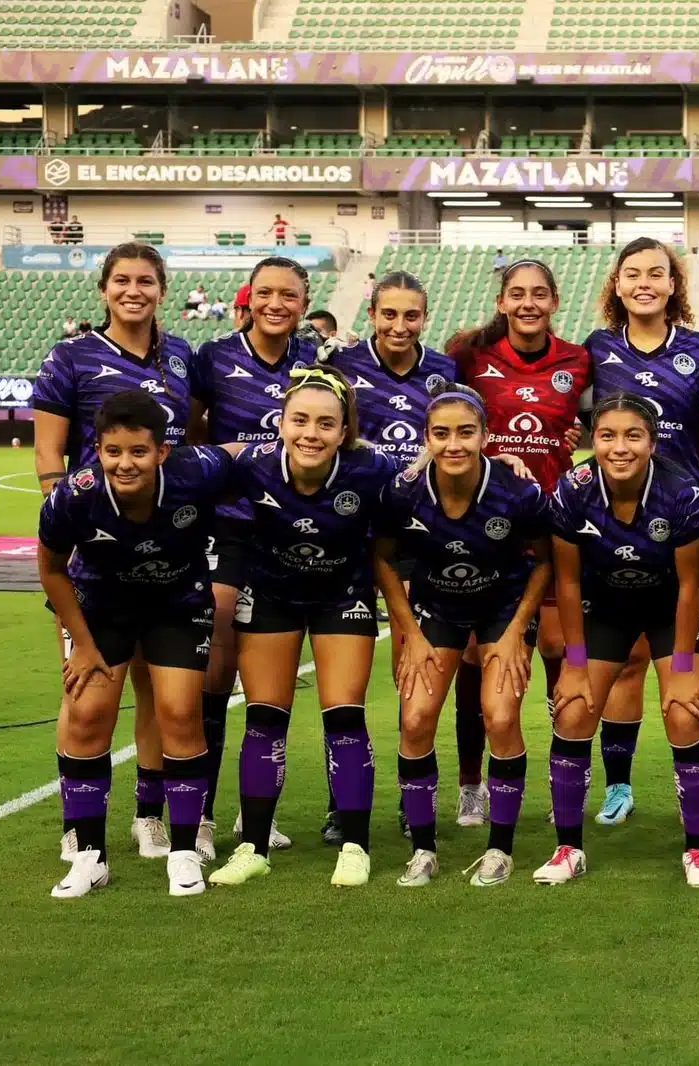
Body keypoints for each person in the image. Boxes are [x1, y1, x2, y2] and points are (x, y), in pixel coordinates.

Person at [33, 242, 194, 866]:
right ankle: (79, 826)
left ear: (162, 289)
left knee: (160, 691)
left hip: (166, 549)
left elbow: (190, 442)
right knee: (87, 689)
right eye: (122, 280)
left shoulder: (181, 356)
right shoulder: (72, 356)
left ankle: (150, 816)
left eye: (146, 281)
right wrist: (69, 517)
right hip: (94, 555)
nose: (134, 290)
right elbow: (50, 453)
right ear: (104, 289)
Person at [206, 365, 394, 889]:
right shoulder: (254, 463)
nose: (312, 433)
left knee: (345, 717)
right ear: (281, 422)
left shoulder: (371, 468)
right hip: (270, 597)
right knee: (264, 719)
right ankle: (253, 847)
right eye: (300, 421)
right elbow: (178, 471)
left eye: (326, 424)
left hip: (342, 598)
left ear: (344, 431)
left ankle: (355, 846)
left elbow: (429, 480)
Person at [38, 392, 230, 898]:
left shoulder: (196, 471)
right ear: (97, 450)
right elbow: (52, 570)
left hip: (177, 602)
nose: (126, 463)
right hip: (101, 607)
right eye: (113, 451)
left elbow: (246, 456)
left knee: (179, 712)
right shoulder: (75, 495)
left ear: (163, 451)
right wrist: (81, 645)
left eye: (139, 452)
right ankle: (90, 858)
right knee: (86, 715)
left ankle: (185, 854)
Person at [373, 382, 552, 887]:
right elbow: (383, 559)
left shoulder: (516, 489)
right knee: (416, 718)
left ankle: (501, 849)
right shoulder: (403, 491)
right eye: (442, 434)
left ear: (486, 436)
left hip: (503, 607)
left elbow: (546, 561)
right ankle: (423, 850)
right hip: (437, 608)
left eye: (466, 433)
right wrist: (410, 632)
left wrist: (519, 630)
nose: (454, 445)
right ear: (426, 438)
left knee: (499, 716)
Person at [540, 395, 699, 886]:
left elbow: (690, 586)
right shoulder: (572, 490)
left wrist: (683, 667)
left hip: (670, 608)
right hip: (607, 607)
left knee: (684, 714)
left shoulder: (682, 491)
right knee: (574, 709)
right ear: (592, 440)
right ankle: (568, 848)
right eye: (608, 436)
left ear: (652, 442)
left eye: (633, 436)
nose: (620, 447)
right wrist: (575, 662)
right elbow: (569, 583)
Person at [448, 257, 592, 826]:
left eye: (539, 294)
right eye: (517, 294)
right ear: (502, 303)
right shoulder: (469, 356)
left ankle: (565, 780)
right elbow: (446, 424)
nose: (528, 302)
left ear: (555, 301)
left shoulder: (578, 360)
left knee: (561, 652)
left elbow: (593, 424)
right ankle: (469, 784)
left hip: (553, 528)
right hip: (482, 528)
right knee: (474, 660)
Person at [187, 256, 319, 857]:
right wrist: (227, 455)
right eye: (265, 292)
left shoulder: (316, 363)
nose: (276, 304)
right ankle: (205, 815)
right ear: (250, 298)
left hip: (287, 537)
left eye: (288, 295)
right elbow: (188, 442)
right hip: (229, 529)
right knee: (215, 671)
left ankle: (253, 813)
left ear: (303, 300)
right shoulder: (214, 357)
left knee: (272, 684)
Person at [584, 237, 699, 823]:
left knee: (683, 657)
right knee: (627, 658)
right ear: (616, 284)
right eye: (632, 273)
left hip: (682, 522)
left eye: (656, 274)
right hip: (611, 523)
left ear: (672, 286)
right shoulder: (597, 349)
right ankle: (619, 785)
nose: (644, 282)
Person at [323, 271, 457, 839]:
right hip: (353, 538)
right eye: (389, 315)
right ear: (373, 315)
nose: (399, 326)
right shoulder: (343, 371)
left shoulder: (443, 373)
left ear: (424, 318)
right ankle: (342, 803)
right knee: (344, 693)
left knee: (414, 676)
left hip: (416, 542)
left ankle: (412, 798)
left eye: (411, 315)